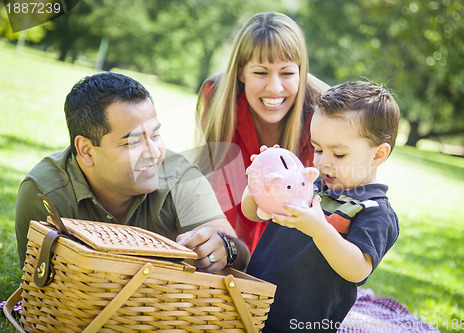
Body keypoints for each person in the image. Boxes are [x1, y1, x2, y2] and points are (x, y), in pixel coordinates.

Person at [15, 72, 249, 273]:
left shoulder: (182, 179)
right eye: (133, 142)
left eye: (155, 135)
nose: (154, 152)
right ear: (85, 150)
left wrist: (225, 249)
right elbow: (41, 285)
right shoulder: (45, 191)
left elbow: (240, 255)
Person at [242, 80, 401, 332]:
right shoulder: (309, 186)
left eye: (338, 155)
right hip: (251, 306)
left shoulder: (373, 210)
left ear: (378, 154)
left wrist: (320, 231)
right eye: (317, 149)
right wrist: (259, 184)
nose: (324, 163)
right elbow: (252, 213)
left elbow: (357, 269)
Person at [195, 12, 329, 252]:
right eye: (260, 72)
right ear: (241, 72)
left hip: (296, 246)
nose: (275, 87)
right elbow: (217, 189)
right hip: (232, 234)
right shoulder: (217, 96)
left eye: (287, 73)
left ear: (301, 71)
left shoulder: (322, 110)